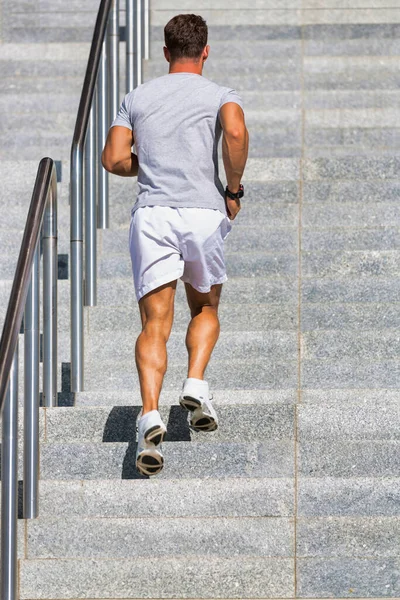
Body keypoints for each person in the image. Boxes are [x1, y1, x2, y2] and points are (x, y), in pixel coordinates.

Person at [102, 13, 249, 476]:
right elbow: (236, 131)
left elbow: (113, 158)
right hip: (203, 214)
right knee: (204, 307)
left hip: (153, 216)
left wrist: (144, 168)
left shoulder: (136, 97)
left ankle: (149, 413)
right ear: (205, 51)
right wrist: (233, 188)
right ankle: (196, 383)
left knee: (154, 323)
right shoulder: (221, 95)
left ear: (166, 52)